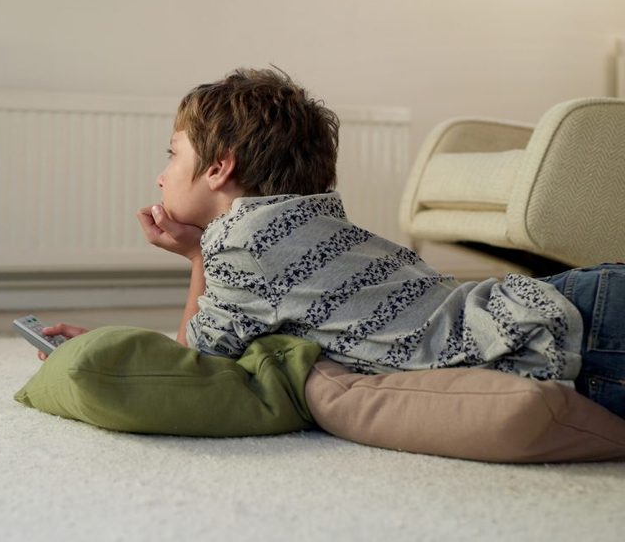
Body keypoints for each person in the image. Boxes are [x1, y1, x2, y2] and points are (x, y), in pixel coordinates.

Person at [38, 67, 625, 420]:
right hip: (578, 302)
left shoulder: (240, 248)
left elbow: (198, 357)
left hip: (575, 343)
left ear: (219, 167)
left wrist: (197, 256)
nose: (163, 174)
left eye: (173, 154)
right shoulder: (311, 218)